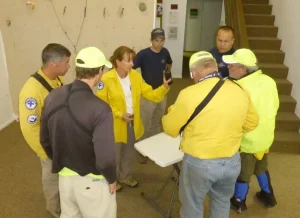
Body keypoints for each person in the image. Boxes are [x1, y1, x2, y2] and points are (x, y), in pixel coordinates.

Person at [162, 51, 259, 218]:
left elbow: (170, 128)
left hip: (200, 163)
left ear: (193, 72)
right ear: (216, 68)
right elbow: (252, 123)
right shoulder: (240, 89)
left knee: (192, 205)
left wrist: (172, 110)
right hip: (231, 161)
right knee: (222, 202)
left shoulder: (188, 94)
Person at [40, 47, 117, 218]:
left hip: (64, 180)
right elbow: (105, 158)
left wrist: (62, 160)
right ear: (99, 71)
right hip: (92, 182)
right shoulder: (100, 109)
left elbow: (45, 140)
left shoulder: (53, 96)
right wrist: (112, 179)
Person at [96, 46, 171, 191]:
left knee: (129, 152)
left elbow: (150, 94)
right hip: (114, 124)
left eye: (133, 60)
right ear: (117, 62)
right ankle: (113, 179)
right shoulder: (106, 78)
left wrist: (164, 87)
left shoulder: (135, 77)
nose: (132, 64)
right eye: (128, 61)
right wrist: (119, 114)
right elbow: (101, 104)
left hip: (132, 123)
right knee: (114, 155)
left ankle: (125, 176)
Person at [222, 48, 279, 212]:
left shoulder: (239, 88)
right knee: (261, 167)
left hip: (247, 141)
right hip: (266, 137)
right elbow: (275, 107)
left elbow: (234, 117)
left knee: (243, 173)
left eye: (232, 65)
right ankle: (269, 195)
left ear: (243, 69)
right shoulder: (269, 80)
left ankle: (239, 201)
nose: (228, 68)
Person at [19, 43, 71, 217]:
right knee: (51, 178)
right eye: (66, 62)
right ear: (53, 64)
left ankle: (64, 204)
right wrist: (45, 152)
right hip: (48, 146)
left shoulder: (56, 79)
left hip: (60, 139)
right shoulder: (32, 91)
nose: (69, 66)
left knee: (63, 176)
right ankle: (54, 210)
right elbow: (29, 128)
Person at [133, 28, 173, 163]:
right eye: (157, 40)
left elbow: (169, 63)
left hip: (162, 91)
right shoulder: (143, 54)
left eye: (162, 40)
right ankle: (142, 151)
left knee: (157, 121)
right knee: (145, 122)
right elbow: (131, 69)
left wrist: (166, 73)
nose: (160, 43)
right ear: (151, 40)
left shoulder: (165, 52)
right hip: (148, 94)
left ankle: (153, 148)